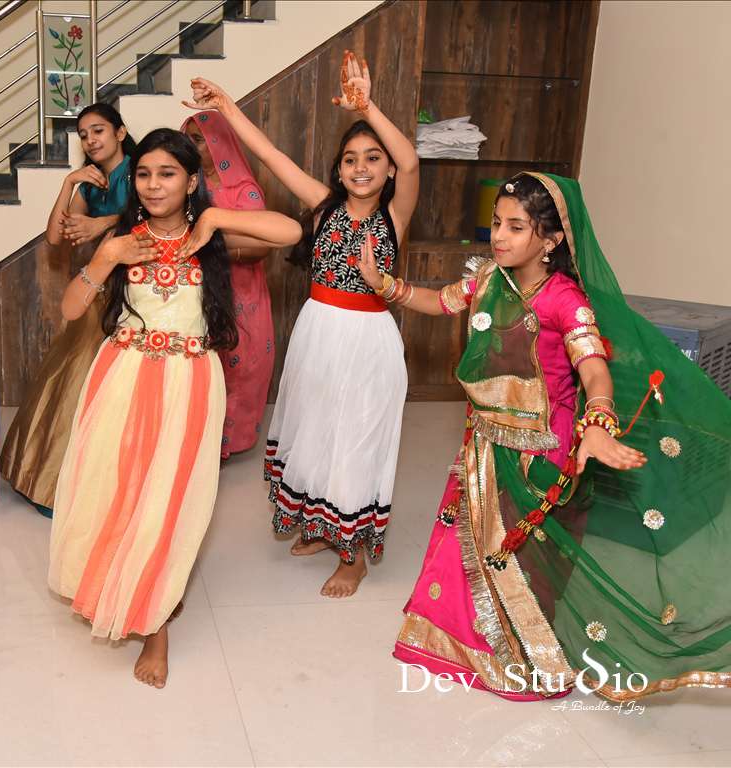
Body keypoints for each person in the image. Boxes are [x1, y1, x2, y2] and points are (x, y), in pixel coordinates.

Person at [385, 172, 731, 700]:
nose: (499, 236)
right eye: (497, 223)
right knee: (470, 544)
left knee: (525, 559)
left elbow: (594, 370)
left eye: (516, 227)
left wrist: (598, 422)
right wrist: (387, 286)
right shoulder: (488, 279)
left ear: (549, 240)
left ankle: (531, 657)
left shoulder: (564, 300)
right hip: (487, 438)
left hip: (542, 449)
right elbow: (441, 302)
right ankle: (464, 642)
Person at [48, 128, 302, 688]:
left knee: (169, 499)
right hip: (123, 379)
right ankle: (131, 588)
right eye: (144, 173)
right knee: (121, 491)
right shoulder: (123, 239)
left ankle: (155, 623)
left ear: (191, 181)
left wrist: (215, 219)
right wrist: (107, 256)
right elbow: (71, 309)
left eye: (168, 173)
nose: (153, 184)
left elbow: (290, 230)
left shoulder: (210, 238)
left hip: (188, 383)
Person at [183, 51, 419, 597]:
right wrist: (227, 106)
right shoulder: (323, 206)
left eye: (373, 158)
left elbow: (411, 163)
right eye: (350, 159)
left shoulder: (395, 215)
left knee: (355, 441)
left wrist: (368, 108)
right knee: (315, 433)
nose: (361, 167)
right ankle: (320, 526)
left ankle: (353, 556)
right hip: (318, 334)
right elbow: (271, 155)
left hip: (367, 341)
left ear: (387, 170)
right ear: (338, 170)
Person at [0, 103, 135, 517]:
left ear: (120, 133)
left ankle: (99, 487)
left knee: (104, 383)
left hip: (135, 287)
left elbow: (153, 216)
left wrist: (103, 223)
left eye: (99, 130)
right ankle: (51, 480)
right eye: (84, 134)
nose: (91, 140)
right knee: (72, 376)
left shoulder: (139, 170)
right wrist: (69, 182)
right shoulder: (89, 183)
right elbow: (55, 237)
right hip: (96, 286)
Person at [182, 110, 275, 459]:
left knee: (237, 366)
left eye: (198, 140)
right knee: (200, 367)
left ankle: (225, 445)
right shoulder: (188, 187)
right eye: (187, 139)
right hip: (195, 292)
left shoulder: (243, 191)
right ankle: (197, 441)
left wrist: (216, 249)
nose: (190, 147)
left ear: (218, 144)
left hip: (241, 293)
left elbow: (262, 245)